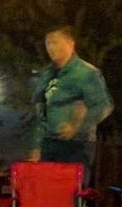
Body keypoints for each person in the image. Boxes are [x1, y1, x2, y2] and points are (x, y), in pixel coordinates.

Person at [29, 26, 112, 176]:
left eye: (55, 42)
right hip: (49, 144)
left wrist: (77, 126)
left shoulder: (86, 73)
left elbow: (103, 106)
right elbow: (41, 111)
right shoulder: (47, 73)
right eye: (48, 43)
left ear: (70, 43)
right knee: (47, 193)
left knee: (70, 192)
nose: (51, 48)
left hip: (77, 145)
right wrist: (37, 146)